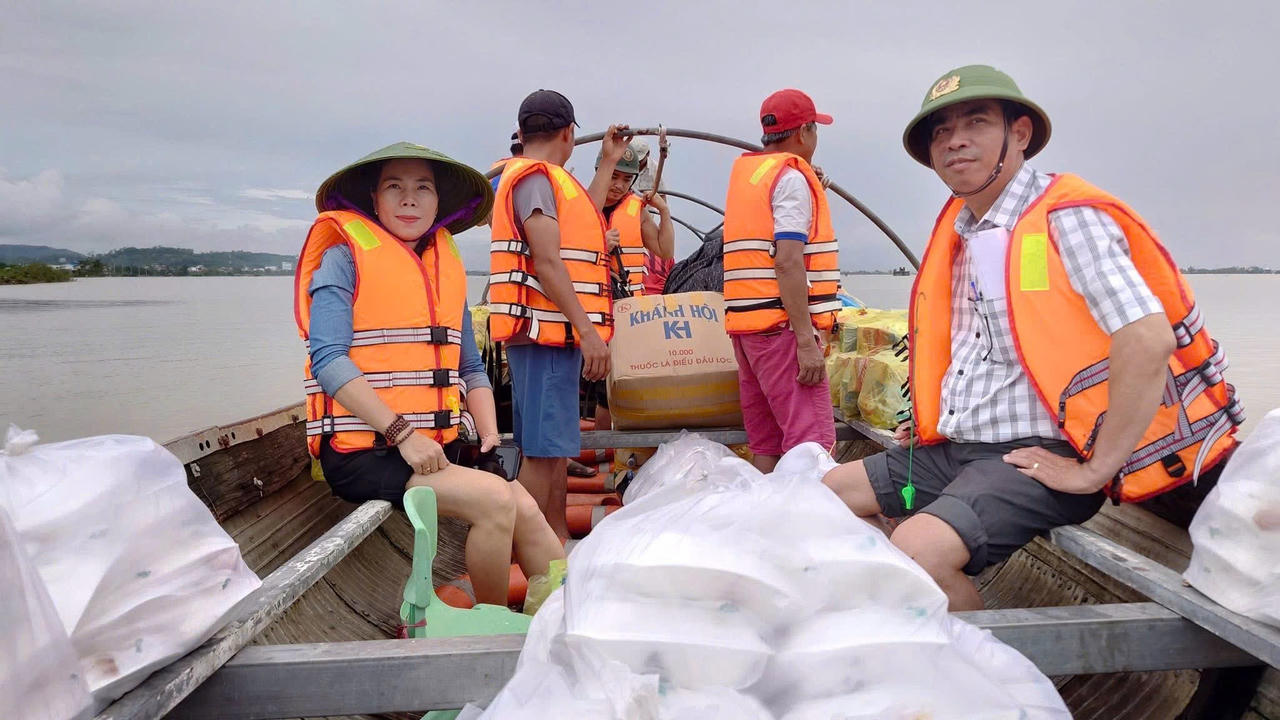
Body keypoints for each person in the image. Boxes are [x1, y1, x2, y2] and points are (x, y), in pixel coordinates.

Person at [822, 65, 1243, 610]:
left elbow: (1147, 338)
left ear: (1019, 135)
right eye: (941, 132)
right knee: (827, 498)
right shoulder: (968, 229)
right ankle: (902, 618)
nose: (955, 142)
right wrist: (932, 416)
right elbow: (988, 349)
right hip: (960, 448)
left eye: (975, 122)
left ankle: (987, 684)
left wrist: (1096, 467)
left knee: (918, 549)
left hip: (1035, 454)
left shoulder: (1066, 217)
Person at [295, 142, 565, 607]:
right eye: (394, 187)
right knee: (496, 504)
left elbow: (470, 367)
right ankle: (489, 628)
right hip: (366, 451)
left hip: (431, 445)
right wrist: (403, 435)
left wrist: (490, 437)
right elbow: (328, 360)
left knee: (527, 507)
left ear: (439, 203)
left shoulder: (443, 267)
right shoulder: (340, 259)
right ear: (373, 200)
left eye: (423, 188)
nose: (409, 199)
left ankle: (562, 611)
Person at [487, 89, 629, 538]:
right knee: (543, 454)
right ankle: (533, 550)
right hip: (545, 336)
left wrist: (607, 162)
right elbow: (547, 260)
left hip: (548, 337)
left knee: (547, 451)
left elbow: (579, 217)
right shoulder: (534, 180)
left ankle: (553, 543)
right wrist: (588, 333)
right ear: (568, 133)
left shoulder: (545, 179)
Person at [722, 88, 841, 473]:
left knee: (768, 442)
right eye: (815, 131)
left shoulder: (752, 175)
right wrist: (806, 342)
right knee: (811, 445)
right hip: (781, 330)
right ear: (804, 132)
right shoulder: (790, 180)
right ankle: (804, 531)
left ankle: (765, 527)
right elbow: (788, 262)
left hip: (748, 330)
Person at [583, 140, 677, 431]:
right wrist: (598, 244)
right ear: (601, 171)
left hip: (626, 310)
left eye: (626, 179)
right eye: (614, 176)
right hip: (589, 312)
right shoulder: (581, 205)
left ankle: (616, 456)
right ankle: (600, 455)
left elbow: (663, 249)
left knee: (621, 383)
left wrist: (663, 212)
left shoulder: (636, 209)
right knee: (600, 387)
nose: (620, 185)